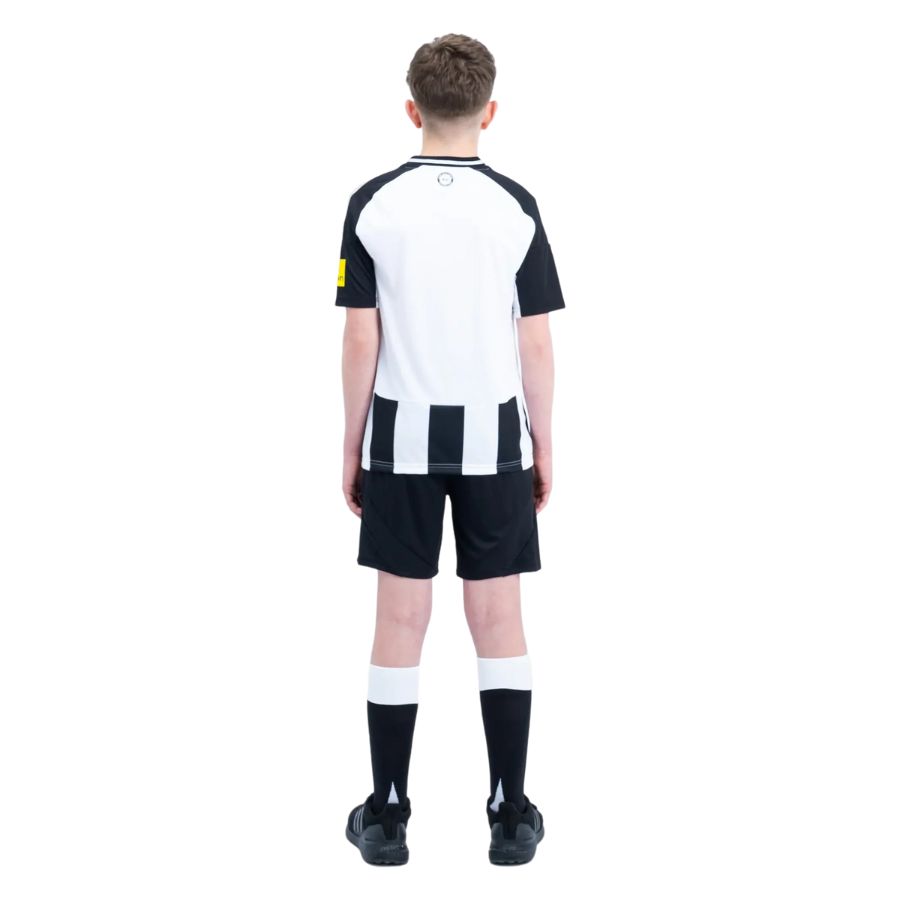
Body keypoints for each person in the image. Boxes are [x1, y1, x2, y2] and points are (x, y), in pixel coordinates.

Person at [335, 33, 565, 866]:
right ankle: (509, 809)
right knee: (498, 615)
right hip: (493, 440)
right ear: (489, 112)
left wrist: (352, 443)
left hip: (399, 440)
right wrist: (544, 442)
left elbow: (361, 338)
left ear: (412, 110)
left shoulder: (372, 204)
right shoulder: (514, 207)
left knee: (400, 617)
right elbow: (533, 341)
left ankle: (388, 811)